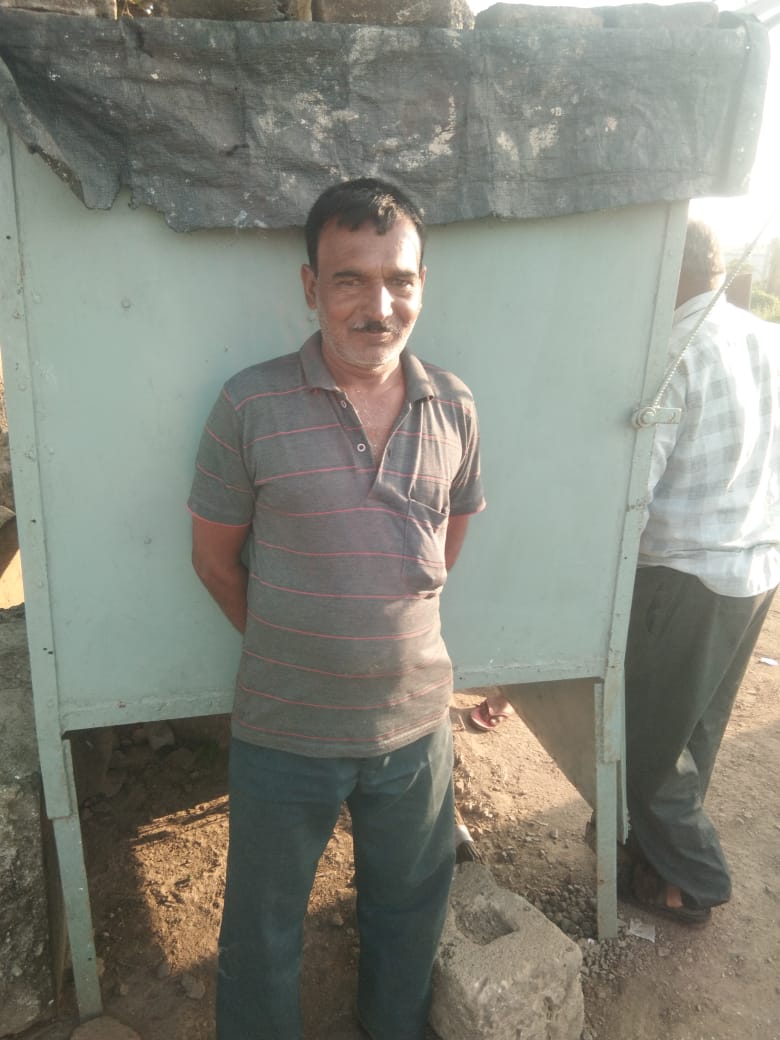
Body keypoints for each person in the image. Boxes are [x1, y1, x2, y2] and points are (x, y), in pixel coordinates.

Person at [187, 178, 485, 1040]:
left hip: (415, 728)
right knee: (262, 927)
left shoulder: (454, 406)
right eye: (350, 279)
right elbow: (214, 561)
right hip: (286, 728)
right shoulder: (250, 405)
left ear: (423, 285)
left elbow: (443, 549)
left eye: (399, 280)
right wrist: (303, 646)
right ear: (311, 286)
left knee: (410, 907)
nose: (377, 307)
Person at [621, 219, 780, 925]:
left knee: (646, 746)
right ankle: (657, 864)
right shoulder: (765, 336)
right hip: (757, 567)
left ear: (665, 267)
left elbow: (634, 496)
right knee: (694, 731)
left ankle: (698, 880)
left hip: (685, 577)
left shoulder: (674, 349)